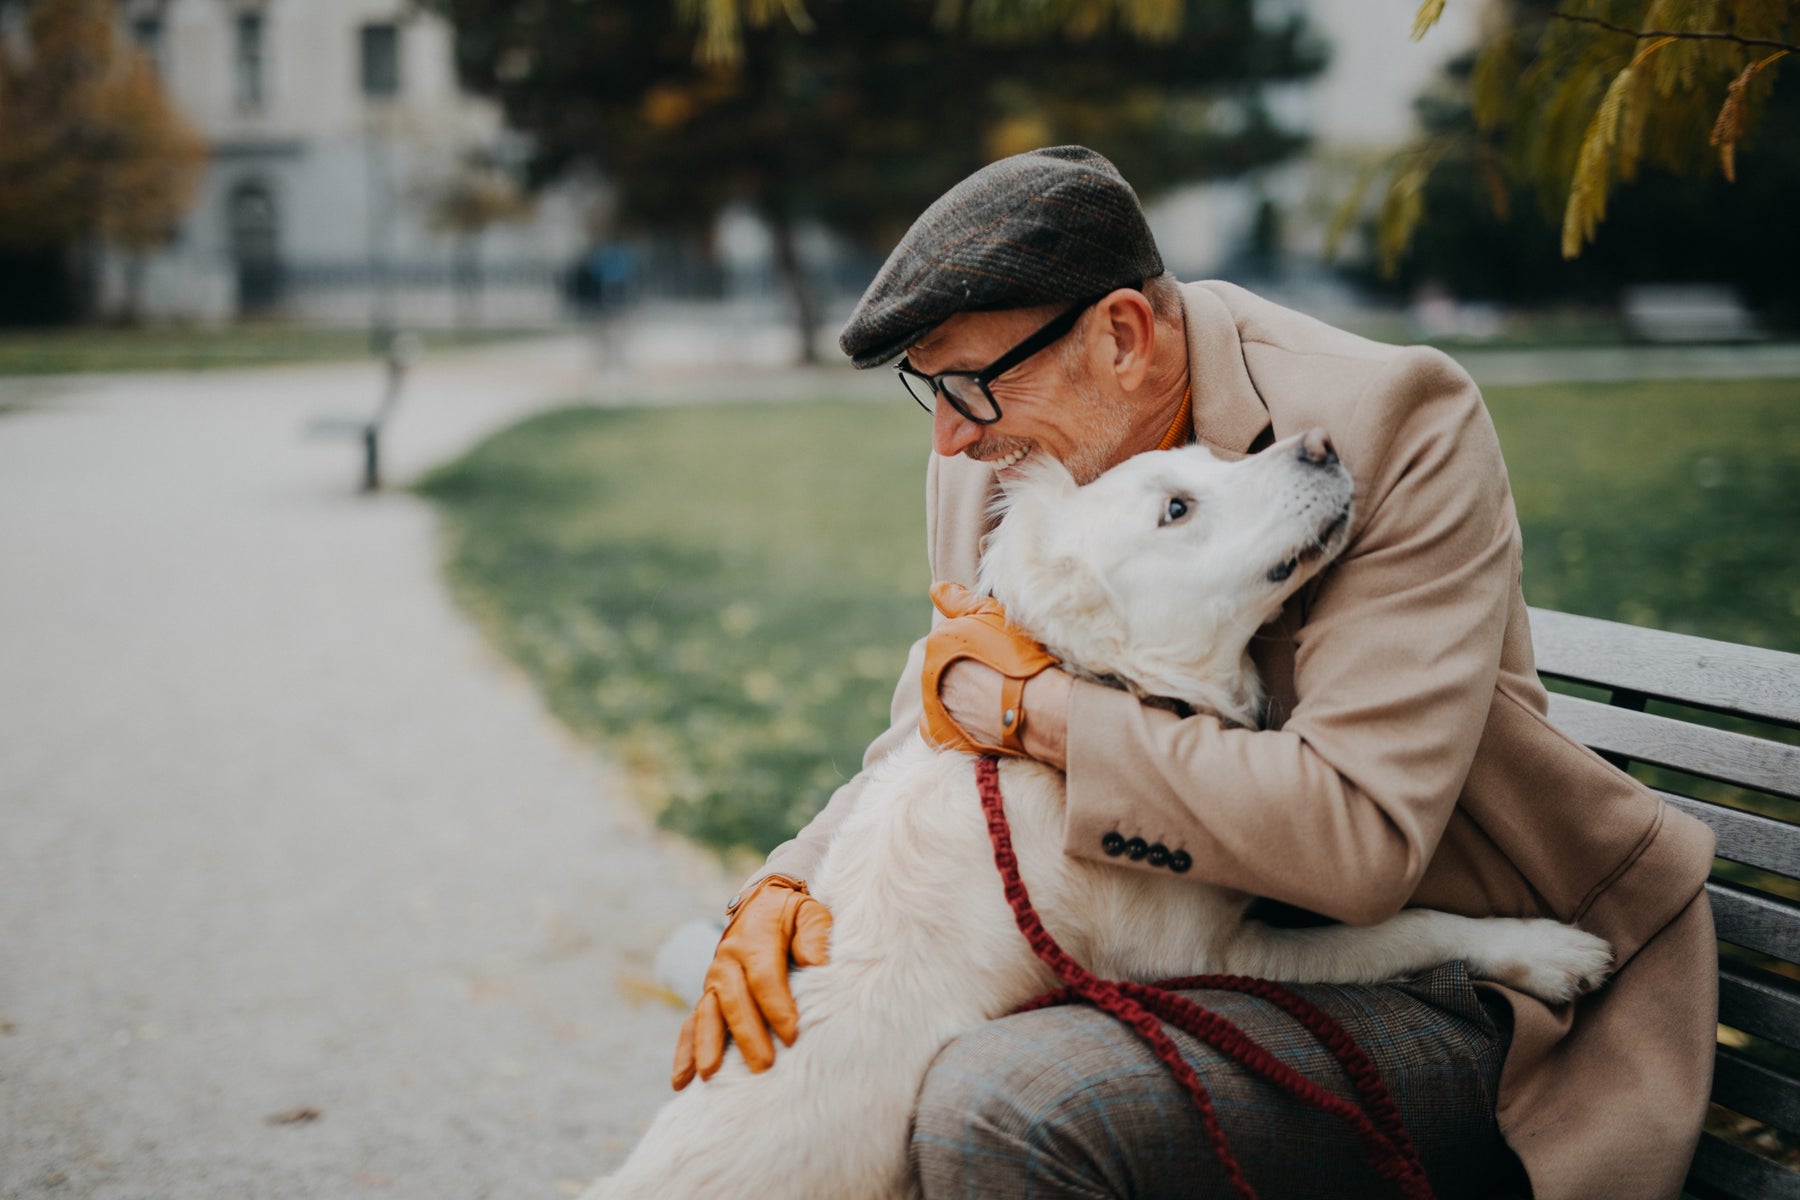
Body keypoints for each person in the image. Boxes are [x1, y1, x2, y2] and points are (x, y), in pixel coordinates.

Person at [669, 146, 1718, 1198]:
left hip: (1466, 980)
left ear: (1123, 335)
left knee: (1008, 1099)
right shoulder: (1003, 456)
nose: (948, 434)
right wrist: (788, 883)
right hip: (1163, 950)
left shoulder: (1393, 421)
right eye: (927, 387)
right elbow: (942, 723)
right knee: (786, 1048)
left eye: (970, 380)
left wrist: (1042, 713)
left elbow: (1361, 837)